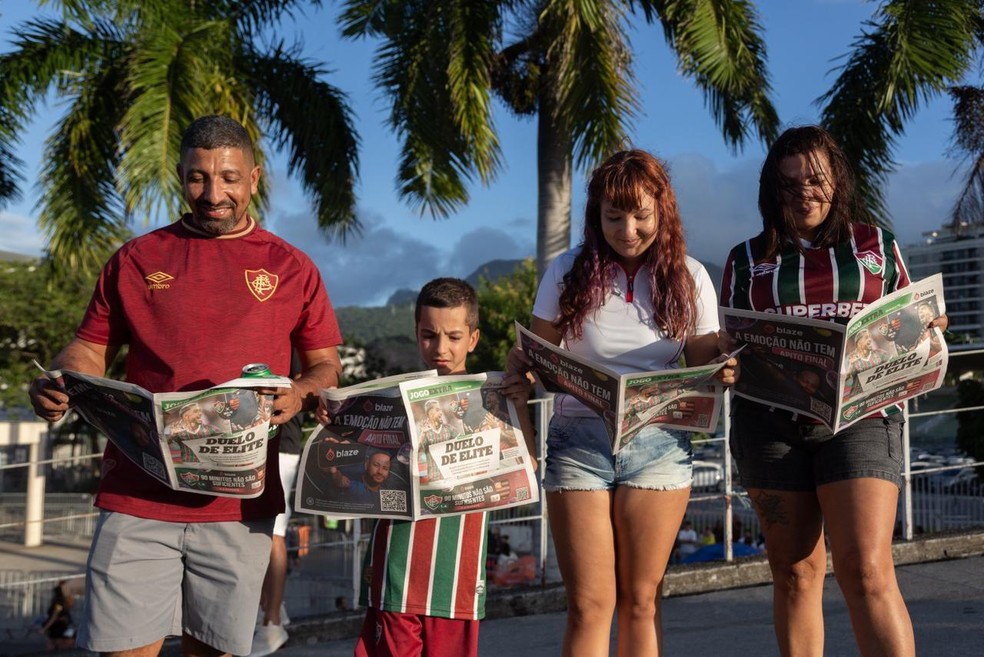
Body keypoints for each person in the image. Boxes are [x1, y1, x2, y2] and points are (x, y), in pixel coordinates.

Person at [28, 115, 344, 657]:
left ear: (254, 177)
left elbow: (325, 366)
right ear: (180, 175)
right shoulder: (136, 259)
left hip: (238, 508)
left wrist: (300, 390)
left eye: (228, 177)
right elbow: (89, 348)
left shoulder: (292, 267)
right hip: (136, 495)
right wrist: (59, 379)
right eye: (198, 177)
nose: (213, 193)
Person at [719, 125, 948, 657]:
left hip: (863, 418)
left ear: (838, 180)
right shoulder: (745, 260)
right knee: (796, 573)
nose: (804, 193)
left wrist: (929, 325)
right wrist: (723, 364)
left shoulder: (876, 245)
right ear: (771, 191)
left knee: (866, 569)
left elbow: (913, 322)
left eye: (816, 180)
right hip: (769, 424)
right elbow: (725, 344)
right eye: (789, 183)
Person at [508, 150, 736, 656]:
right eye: (614, 216)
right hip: (578, 440)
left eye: (641, 215)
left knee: (640, 600)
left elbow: (702, 361)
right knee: (589, 605)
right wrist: (522, 365)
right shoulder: (566, 271)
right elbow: (534, 353)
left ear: (663, 211)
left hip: (658, 442)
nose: (627, 229)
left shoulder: (691, 275)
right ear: (596, 216)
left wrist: (724, 366)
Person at [352, 277, 535, 657]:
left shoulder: (493, 398)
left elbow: (526, 469)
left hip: (457, 574)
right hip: (396, 564)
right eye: (428, 335)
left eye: (453, 337)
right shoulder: (391, 394)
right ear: (416, 334)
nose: (440, 348)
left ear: (473, 338)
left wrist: (521, 408)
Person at [248, 411, 305, 657]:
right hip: (255, 439)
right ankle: (269, 610)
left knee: (275, 530)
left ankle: (273, 623)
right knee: (256, 529)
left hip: (280, 443)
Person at [39, 580, 75, 651]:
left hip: (58, 627)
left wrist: (45, 628)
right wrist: (45, 628)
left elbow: (55, 616)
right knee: (57, 645)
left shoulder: (60, 602)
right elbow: (54, 616)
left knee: (56, 645)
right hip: (57, 628)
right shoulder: (59, 603)